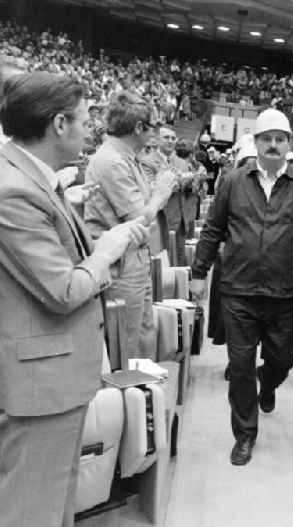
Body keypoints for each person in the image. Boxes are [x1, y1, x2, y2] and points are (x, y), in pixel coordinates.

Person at [0, 72, 149, 527]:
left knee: (56, 504)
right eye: (85, 120)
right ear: (59, 123)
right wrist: (107, 250)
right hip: (39, 387)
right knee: (33, 511)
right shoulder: (14, 191)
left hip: (57, 379)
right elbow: (63, 290)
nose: (91, 130)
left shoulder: (35, 179)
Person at [190, 108, 293, 466]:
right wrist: (199, 271)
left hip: (282, 294)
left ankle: (270, 381)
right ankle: (245, 434)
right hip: (238, 291)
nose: (274, 145)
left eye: (280, 139)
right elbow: (213, 229)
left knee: (283, 358)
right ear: (257, 142)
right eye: (267, 139)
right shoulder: (234, 181)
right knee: (240, 364)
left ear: (288, 144)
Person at [83, 91, 177, 362]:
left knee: (143, 336)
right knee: (128, 345)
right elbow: (138, 218)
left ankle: (144, 399)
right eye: (152, 127)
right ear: (138, 128)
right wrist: (161, 194)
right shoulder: (112, 160)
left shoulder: (126, 157)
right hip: (122, 265)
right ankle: (134, 400)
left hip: (135, 259)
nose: (155, 135)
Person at [140, 125, 200, 266]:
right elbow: (151, 189)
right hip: (162, 219)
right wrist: (180, 179)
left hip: (181, 219)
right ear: (157, 140)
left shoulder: (181, 162)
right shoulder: (147, 162)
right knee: (164, 263)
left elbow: (191, 188)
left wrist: (192, 181)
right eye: (166, 137)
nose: (170, 141)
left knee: (179, 261)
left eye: (173, 138)